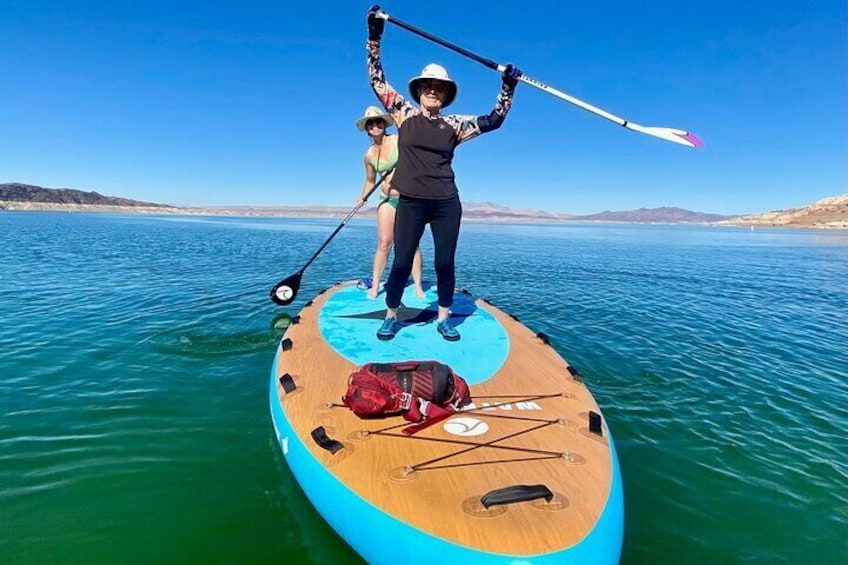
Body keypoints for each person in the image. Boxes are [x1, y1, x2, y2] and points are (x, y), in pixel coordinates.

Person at [366, 5, 520, 342]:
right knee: (402, 260)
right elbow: (377, 80)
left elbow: (494, 120)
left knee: (445, 264)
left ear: (445, 94)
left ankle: (444, 318)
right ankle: (392, 315)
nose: (432, 90)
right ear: (419, 91)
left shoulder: (455, 125)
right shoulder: (404, 114)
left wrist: (508, 87)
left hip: (446, 202)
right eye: (427, 86)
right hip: (411, 201)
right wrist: (374, 36)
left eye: (438, 87)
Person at [355, 106, 425, 300]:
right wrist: (363, 197)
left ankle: (418, 285)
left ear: (384, 124)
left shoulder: (396, 140)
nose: (375, 126)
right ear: (367, 129)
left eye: (379, 122)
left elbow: (416, 156)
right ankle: (376, 286)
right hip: (386, 199)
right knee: (384, 243)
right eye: (371, 123)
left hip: (407, 198)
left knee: (412, 244)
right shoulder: (369, 154)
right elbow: (370, 180)